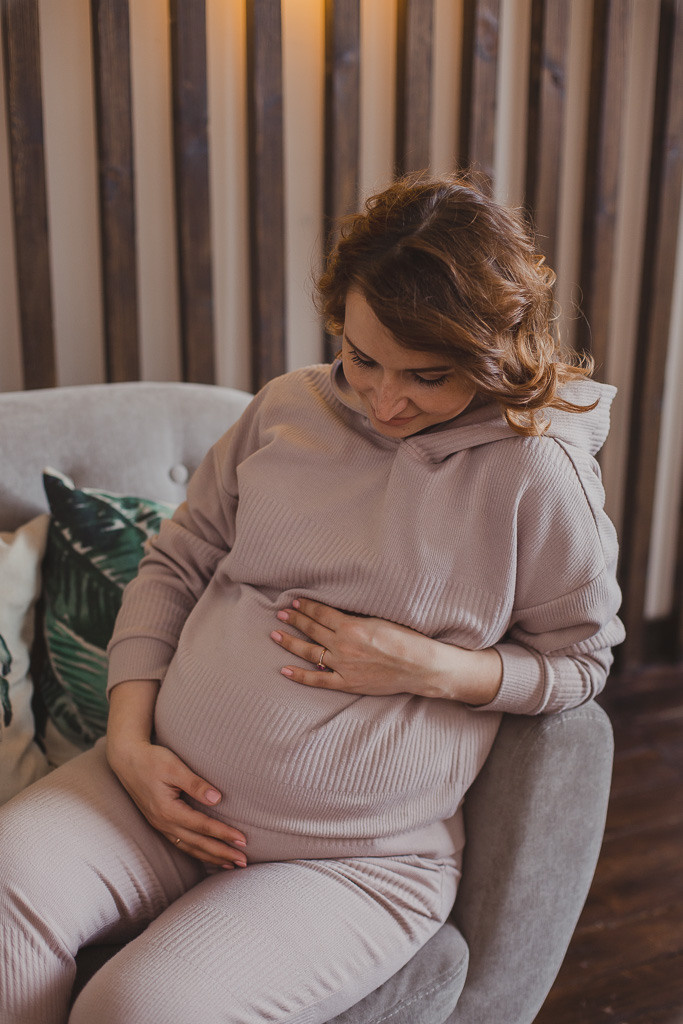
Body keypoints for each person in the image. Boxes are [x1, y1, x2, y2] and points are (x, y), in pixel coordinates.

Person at [0, 174, 624, 1024]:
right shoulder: (288, 407)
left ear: (493, 350)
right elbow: (176, 562)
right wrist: (130, 742)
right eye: (362, 358)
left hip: (350, 862)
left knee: (138, 1009)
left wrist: (435, 668)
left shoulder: (535, 474)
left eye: (427, 375)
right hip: (152, 791)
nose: (385, 399)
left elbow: (580, 662)